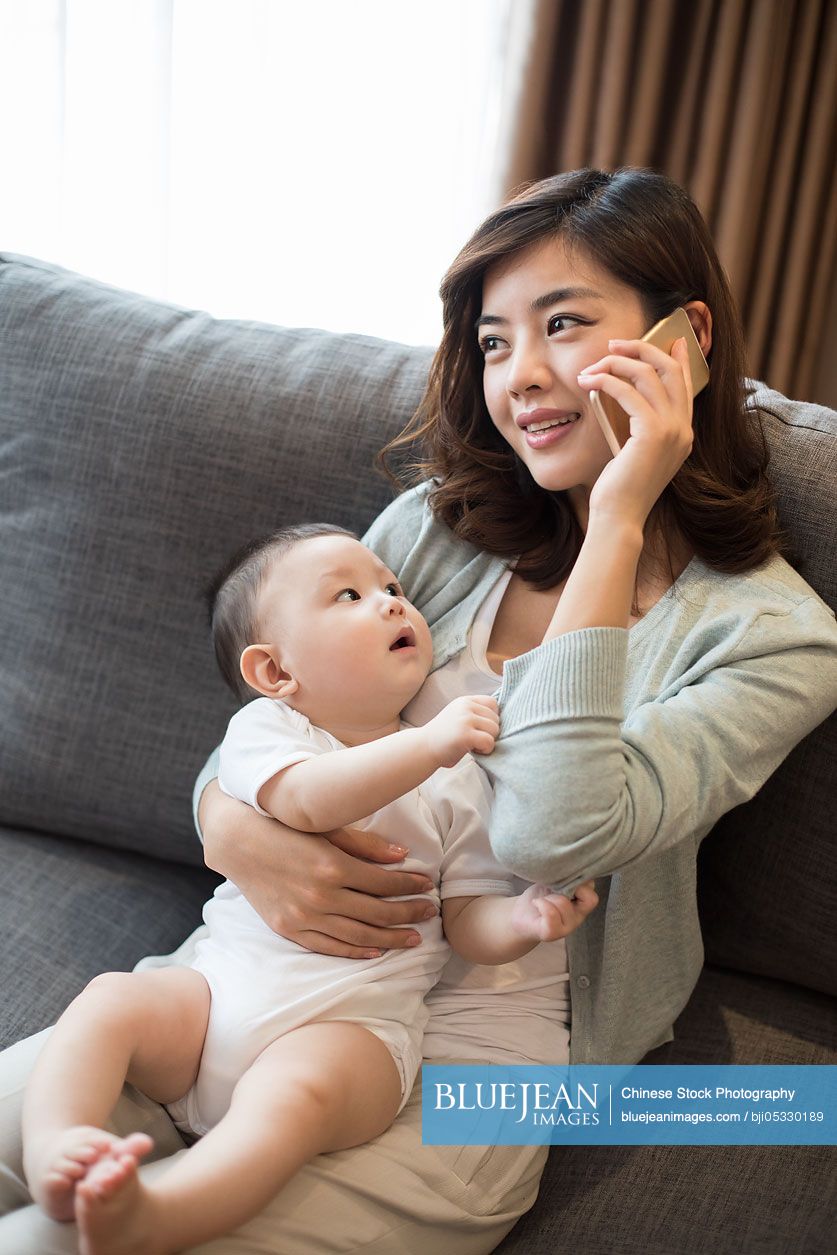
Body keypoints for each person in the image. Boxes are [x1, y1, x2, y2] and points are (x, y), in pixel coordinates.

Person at [1, 166, 836, 1254]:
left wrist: (621, 516)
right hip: (257, 983)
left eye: (564, 324)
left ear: (684, 339)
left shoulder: (776, 639)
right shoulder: (440, 532)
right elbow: (269, 728)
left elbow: (552, 832)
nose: (522, 378)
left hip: (484, 1070)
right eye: (494, 342)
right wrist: (235, 828)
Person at [20, 524, 596, 1255]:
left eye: (393, 589)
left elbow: (464, 923)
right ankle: (57, 1148)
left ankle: (165, 1213)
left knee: (297, 1096)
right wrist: (426, 743)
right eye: (350, 596)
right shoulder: (267, 730)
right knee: (111, 1000)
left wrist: (521, 917)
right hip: (211, 1003)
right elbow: (307, 802)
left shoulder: (456, 783)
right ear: (274, 671)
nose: (391, 604)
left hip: (354, 1031)